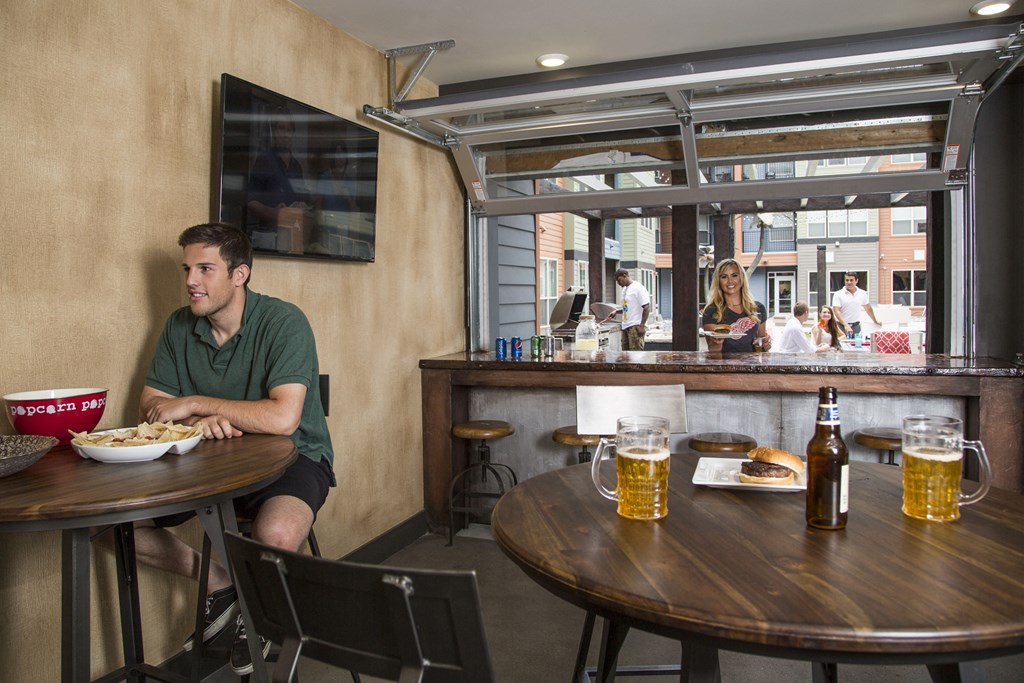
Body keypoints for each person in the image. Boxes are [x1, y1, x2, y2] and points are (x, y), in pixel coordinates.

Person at [135, 222, 334, 675]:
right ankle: (220, 582)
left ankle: (263, 619)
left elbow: (283, 419)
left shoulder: (284, 321)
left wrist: (194, 402)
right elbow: (150, 406)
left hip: (295, 456)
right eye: (187, 268)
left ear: (239, 274)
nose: (190, 281)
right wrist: (198, 419)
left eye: (205, 269)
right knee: (114, 526)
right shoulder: (177, 325)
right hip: (207, 466)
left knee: (277, 536)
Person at [701, 258, 771, 353]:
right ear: (719, 281)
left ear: (741, 278)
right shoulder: (711, 311)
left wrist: (766, 346)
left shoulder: (758, 308)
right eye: (724, 277)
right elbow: (713, 353)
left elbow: (761, 345)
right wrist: (717, 344)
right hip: (726, 367)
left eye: (734, 275)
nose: (730, 281)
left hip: (751, 366)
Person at [611, 268, 651, 350]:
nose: (618, 283)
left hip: (635, 325)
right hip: (626, 325)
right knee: (626, 354)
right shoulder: (625, 290)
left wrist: (642, 325)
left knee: (635, 354)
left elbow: (646, 307)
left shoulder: (638, 288)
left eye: (619, 280)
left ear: (625, 276)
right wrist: (617, 311)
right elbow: (627, 307)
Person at [831, 271, 880, 337]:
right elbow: (836, 311)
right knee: (841, 345)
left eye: (851, 280)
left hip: (856, 327)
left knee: (856, 345)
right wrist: (846, 324)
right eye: (847, 280)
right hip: (841, 326)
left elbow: (868, 308)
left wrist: (875, 321)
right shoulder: (838, 294)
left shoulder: (862, 293)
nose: (849, 282)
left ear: (856, 281)